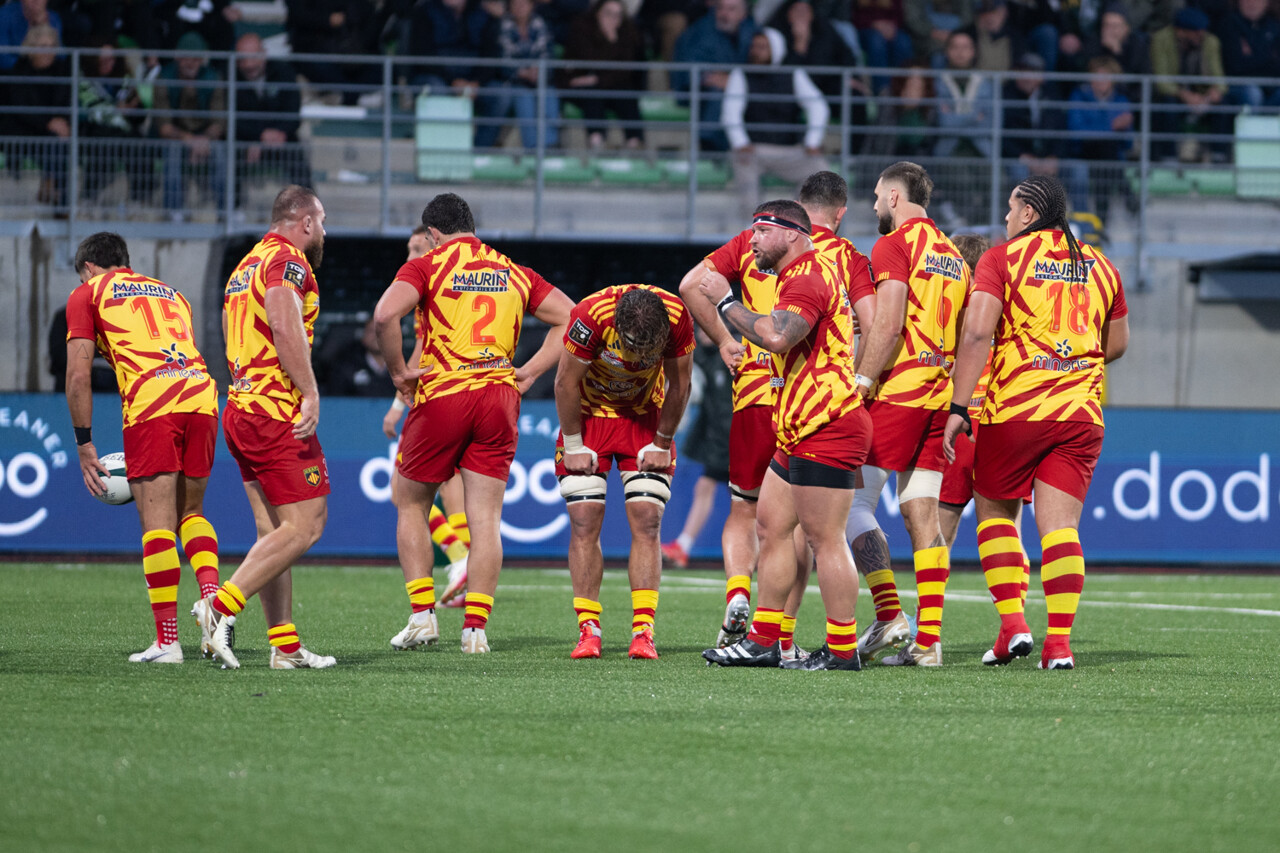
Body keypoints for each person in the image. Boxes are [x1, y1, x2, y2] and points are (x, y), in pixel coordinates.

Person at [679, 169, 874, 657]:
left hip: (826, 423)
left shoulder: (807, 276)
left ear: (791, 233)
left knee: (823, 539)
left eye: (762, 231)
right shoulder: (806, 270)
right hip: (797, 424)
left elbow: (776, 336)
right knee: (768, 525)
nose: (754, 240)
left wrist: (726, 303)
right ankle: (766, 640)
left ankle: (842, 649)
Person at [374, 192, 574, 654]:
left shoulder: (427, 265)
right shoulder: (512, 269)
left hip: (445, 393)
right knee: (487, 520)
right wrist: (533, 369)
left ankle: (423, 617)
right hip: (500, 397)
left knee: (409, 501)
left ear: (432, 234)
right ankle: (476, 630)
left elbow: (386, 314)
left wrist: (399, 371)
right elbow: (572, 317)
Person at [943, 175, 1129, 670]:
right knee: (1060, 530)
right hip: (1081, 415)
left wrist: (959, 408)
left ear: (1028, 213)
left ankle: (1014, 622)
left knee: (995, 514)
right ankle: (1057, 646)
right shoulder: (1102, 264)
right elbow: (1118, 343)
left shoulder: (1001, 259)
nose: (1004, 218)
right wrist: (1070, 364)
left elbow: (978, 332)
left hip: (1017, 412)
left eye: (1010, 208)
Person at [192, 185, 335, 671]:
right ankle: (219, 607)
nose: (325, 232)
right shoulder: (289, 261)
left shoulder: (245, 264)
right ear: (307, 222)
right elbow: (281, 319)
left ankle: (285, 646)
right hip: (276, 411)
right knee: (307, 525)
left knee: (272, 531)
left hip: (240, 407)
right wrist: (310, 390)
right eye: (323, 221)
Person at [65, 232, 223, 664]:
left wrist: (84, 443)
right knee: (191, 514)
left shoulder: (87, 292)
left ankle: (168, 642)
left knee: (156, 524)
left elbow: (78, 374)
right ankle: (216, 609)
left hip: (153, 403)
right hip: (203, 397)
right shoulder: (175, 295)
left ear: (90, 268)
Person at [845, 161, 967, 668]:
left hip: (897, 392)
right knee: (921, 510)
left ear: (895, 197)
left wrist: (861, 382)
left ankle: (890, 611)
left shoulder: (893, 245)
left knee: (847, 502)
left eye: (876, 196)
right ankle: (929, 642)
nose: (873, 205)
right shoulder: (953, 255)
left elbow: (889, 322)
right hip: (940, 393)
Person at [554, 285, 695, 660]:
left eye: (650, 350)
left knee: (648, 518)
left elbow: (680, 383)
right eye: (633, 346)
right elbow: (565, 382)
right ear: (617, 326)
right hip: (590, 414)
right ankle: (589, 629)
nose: (639, 358)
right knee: (584, 519)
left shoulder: (678, 316)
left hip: (645, 416)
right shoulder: (590, 316)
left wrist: (663, 442)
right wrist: (573, 445)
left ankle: (643, 632)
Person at [381, 226, 471, 610]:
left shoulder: (428, 283)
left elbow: (420, 347)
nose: (409, 256)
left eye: (415, 248)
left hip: (436, 397)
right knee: (450, 488)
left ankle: (459, 559)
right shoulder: (460, 279)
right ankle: (464, 563)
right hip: (474, 393)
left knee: (404, 493)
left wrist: (399, 404)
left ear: (434, 244)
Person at [722, 28, 830, 219]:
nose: (756, 51)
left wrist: (812, 142)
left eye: (763, 47)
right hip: (755, 150)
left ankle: (795, 222)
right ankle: (753, 227)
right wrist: (740, 143)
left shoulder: (793, 74)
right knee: (742, 160)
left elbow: (818, 106)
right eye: (754, 47)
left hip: (789, 151)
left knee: (820, 171)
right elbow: (731, 112)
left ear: (776, 49)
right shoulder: (741, 74)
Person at [660, 326, 732, 568]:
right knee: (706, 487)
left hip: (738, 439)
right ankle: (684, 546)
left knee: (746, 500)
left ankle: (763, 551)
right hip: (719, 439)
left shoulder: (734, 352)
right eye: (700, 329)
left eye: (708, 328)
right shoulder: (702, 355)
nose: (703, 334)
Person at [153, 31, 226, 220]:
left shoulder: (213, 78)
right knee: (173, 150)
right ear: (177, 57)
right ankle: (174, 210)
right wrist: (192, 141)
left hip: (204, 137)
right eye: (186, 58)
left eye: (196, 58)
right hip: (176, 138)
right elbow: (164, 127)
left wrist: (203, 140)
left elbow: (219, 123)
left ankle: (224, 210)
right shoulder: (164, 78)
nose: (191, 63)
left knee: (219, 151)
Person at [233, 33, 311, 206]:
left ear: (263, 54)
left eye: (252, 58)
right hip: (247, 140)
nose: (248, 65)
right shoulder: (231, 75)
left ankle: (307, 210)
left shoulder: (283, 72)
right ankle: (233, 209)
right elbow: (233, 118)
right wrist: (258, 136)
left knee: (296, 154)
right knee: (230, 152)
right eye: (242, 60)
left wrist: (278, 132)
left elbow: (293, 112)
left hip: (280, 138)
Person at [672, 0, 759, 152]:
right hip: (702, 92)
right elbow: (689, 69)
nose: (724, 14)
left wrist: (735, 82)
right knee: (719, 94)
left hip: (748, 90)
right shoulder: (699, 31)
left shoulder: (754, 32)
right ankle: (709, 147)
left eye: (731, 9)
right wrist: (708, 78)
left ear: (743, 14)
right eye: (720, 8)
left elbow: (766, 64)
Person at [559, 0, 646, 150]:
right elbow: (588, 62)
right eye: (608, 14)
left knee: (626, 95)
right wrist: (608, 40)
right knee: (593, 93)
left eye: (617, 15)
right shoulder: (582, 29)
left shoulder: (628, 33)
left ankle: (634, 142)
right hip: (582, 87)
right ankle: (597, 141)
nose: (613, 19)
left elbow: (626, 70)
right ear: (598, 13)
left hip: (613, 86)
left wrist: (599, 78)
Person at [474, 0, 560, 151]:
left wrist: (540, 71)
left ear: (532, 6)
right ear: (509, 7)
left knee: (549, 94)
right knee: (523, 96)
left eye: (524, 4)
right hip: (514, 80)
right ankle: (533, 148)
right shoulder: (500, 26)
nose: (520, 8)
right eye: (516, 4)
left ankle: (550, 146)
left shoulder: (542, 25)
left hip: (540, 79)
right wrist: (521, 72)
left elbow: (549, 56)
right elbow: (500, 60)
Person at [1150, 8, 1229, 162]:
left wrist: (1215, 91)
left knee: (1224, 104)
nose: (1201, 36)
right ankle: (1169, 157)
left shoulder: (1210, 42)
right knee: (1167, 105)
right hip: (1174, 94)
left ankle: (1218, 155)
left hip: (1202, 96)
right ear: (1180, 31)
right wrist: (1184, 95)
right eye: (1196, 32)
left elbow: (1220, 79)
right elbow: (1161, 80)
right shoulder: (1161, 39)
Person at [5, 24, 70, 208]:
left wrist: (62, 123)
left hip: (52, 133)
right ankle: (58, 202)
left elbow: (65, 102)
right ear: (31, 48)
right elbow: (20, 108)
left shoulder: (61, 70)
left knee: (59, 141)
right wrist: (49, 122)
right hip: (24, 130)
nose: (47, 52)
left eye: (51, 47)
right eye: (42, 47)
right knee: (55, 141)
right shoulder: (20, 70)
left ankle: (53, 189)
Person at [0, 0, 62, 72]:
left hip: (49, 74)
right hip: (14, 75)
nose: (36, 1)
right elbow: (3, 56)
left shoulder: (53, 18)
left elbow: (61, 55)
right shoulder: (4, 15)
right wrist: (24, 67)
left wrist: (44, 23)